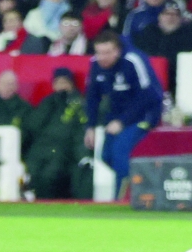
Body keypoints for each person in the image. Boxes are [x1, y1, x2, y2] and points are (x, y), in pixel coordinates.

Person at [84, 31, 163, 200]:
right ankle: (137, 184)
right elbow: (92, 97)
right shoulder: (95, 64)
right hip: (117, 115)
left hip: (145, 113)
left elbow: (150, 94)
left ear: (117, 51)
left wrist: (122, 122)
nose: (102, 57)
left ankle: (121, 200)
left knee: (120, 153)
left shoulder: (133, 60)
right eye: (98, 52)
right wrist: (89, 126)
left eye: (107, 53)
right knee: (105, 156)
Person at [24, 68, 91, 199]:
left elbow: (79, 130)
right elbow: (33, 125)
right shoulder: (48, 102)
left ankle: (46, 207)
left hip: (63, 149)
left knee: (49, 175)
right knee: (31, 172)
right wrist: (52, 104)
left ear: (71, 84)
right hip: (40, 148)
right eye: (58, 83)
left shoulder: (80, 103)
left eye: (64, 82)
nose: (61, 86)